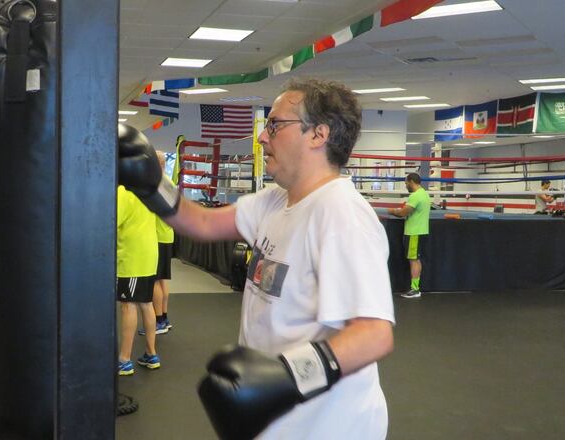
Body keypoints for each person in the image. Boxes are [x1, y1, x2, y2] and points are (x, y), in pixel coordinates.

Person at [118, 77, 395, 439]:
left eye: (275, 125)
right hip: (278, 419)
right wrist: (153, 184)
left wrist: (287, 374)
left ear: (318, 135)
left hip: (328, 427)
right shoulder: (277, 199)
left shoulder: (341, 213)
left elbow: (375, 334)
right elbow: (200, 222)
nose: (263, 137)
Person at [116, 185, 161, 375]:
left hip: (133, 257)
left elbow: (111, 221)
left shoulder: (124, 191)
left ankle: (124, 360)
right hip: (149, 254)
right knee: (146, 303)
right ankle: (151, 354)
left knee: (128, 305)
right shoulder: (149, 190)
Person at [139, 150, 175, 335]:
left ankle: (159, 320)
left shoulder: (158, 185)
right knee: (162, 279)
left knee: (154, 280)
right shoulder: (169, 183)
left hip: (159, 236)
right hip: (166, 235)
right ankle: (164, 318)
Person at [388, 172, 431, 299]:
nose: (406, 185)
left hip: (414, 233)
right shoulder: (424, 193)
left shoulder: (416, 196)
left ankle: (415, 289)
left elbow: (403, 213)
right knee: (415, 260)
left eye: (406, 182)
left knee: (414, 261)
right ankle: (415, 288)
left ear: (412, 181)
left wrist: (391, 211)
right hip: (420, 231)